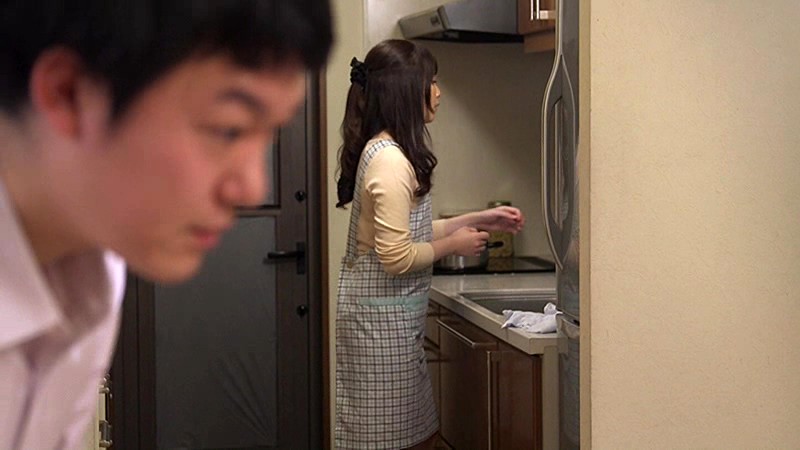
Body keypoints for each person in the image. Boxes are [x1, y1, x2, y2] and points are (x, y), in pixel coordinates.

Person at [0, 1, 332, 449]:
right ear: (69, 93)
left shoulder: (92, 282)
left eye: (268, 133)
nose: (253, 188)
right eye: (229, 129)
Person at [334, 39, 525, 450]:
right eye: (432, 81)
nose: (438, 92)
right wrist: (453, 243)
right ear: (407, 91)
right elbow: (396, 256)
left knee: (414, 437)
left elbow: (408, 233)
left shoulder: (387, 151)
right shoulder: (390, 162)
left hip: (388, 328)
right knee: (393, 441)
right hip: (380, 336)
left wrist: (476, 219)